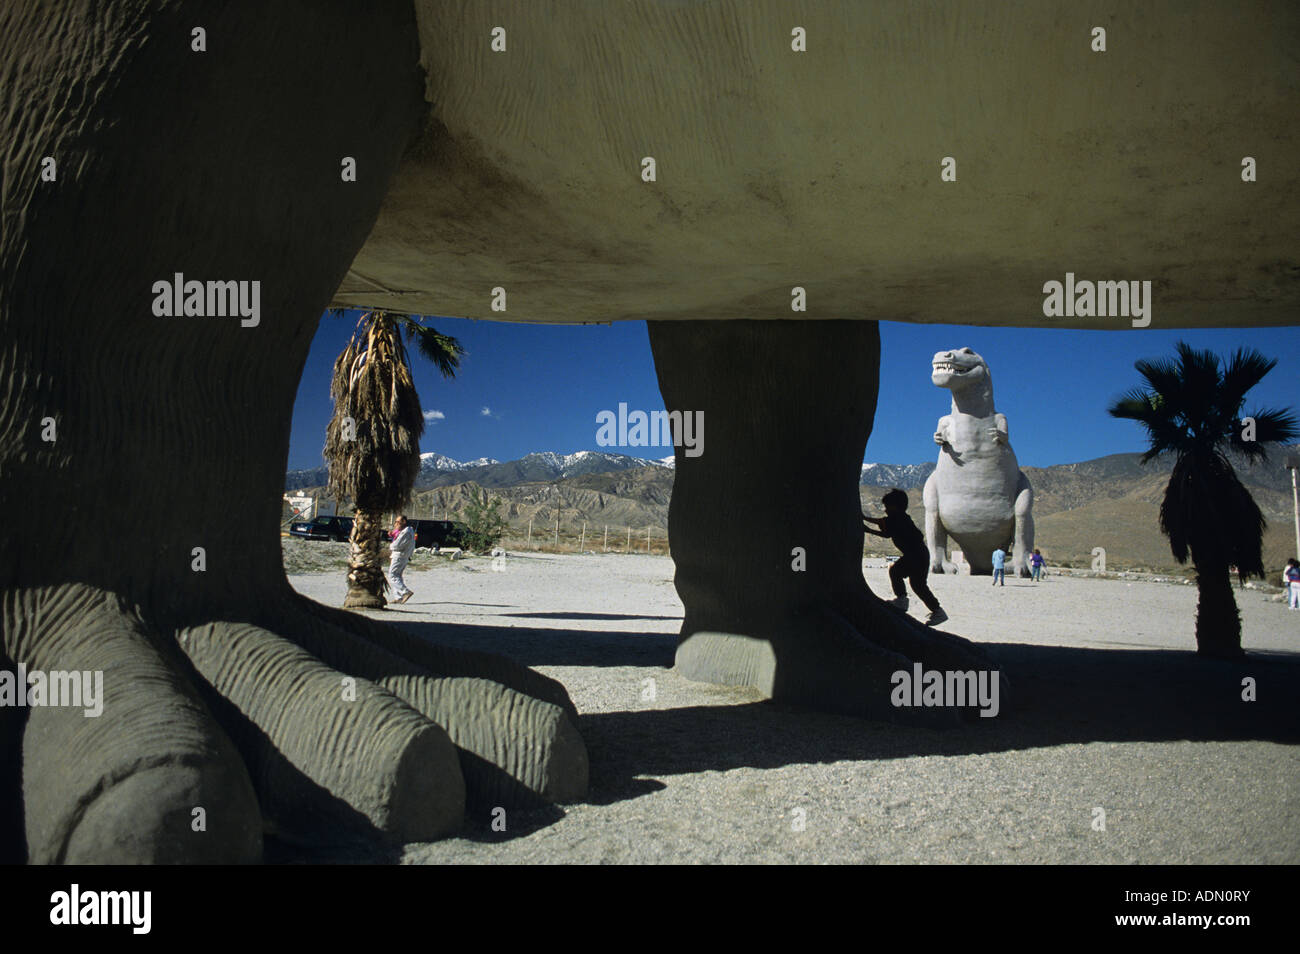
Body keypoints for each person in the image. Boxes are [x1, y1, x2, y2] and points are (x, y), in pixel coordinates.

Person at [863, 489, 948, 626]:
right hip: (920, 554)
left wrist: (867, 527)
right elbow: (883, 523)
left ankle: (902, 600)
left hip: (915, 555)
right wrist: (865, 519)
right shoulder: (901, 518)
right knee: (918, 585)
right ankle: (937, 611)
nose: (885, 510)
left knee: (896, 572)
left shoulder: (897, 519)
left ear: (895, 506)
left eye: (887, 507)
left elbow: (885, 532)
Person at [388, 514, 416, 604]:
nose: (395, 524)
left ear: (403, 522)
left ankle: (405, 591)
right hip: (401, 556)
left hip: (400, 556)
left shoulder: (406, 532)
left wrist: (391, 546)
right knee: (397, 575)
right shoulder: (405, 532)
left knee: (392, 575)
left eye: (397, 522)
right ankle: (398, 597)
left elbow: (397, 545)